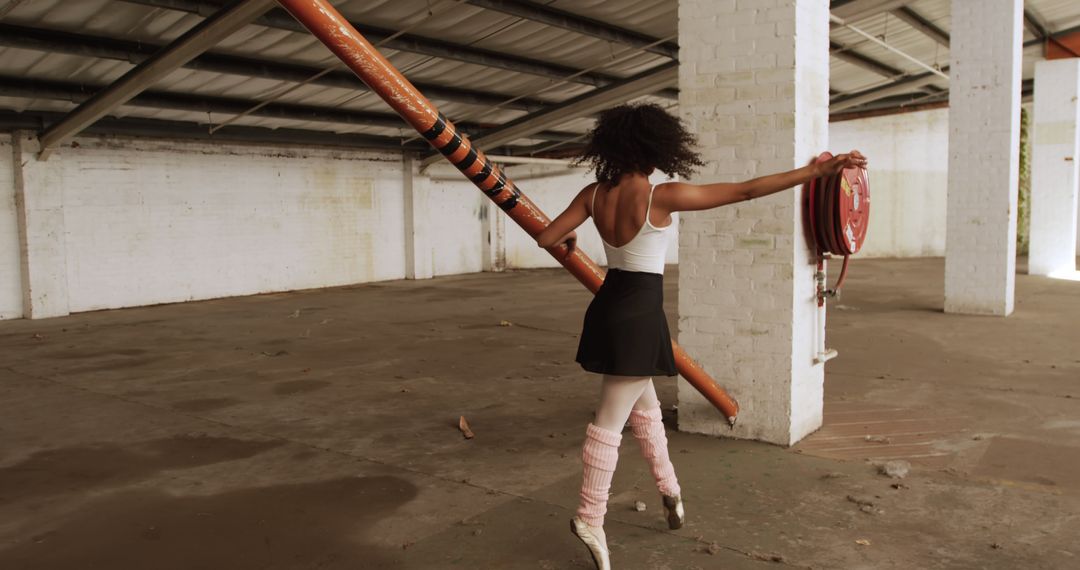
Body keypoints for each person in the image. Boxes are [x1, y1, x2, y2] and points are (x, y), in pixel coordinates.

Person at [536, 103, 866, 570]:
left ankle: (670, 490)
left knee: (645, 409)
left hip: (609, 305)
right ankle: (590, 517)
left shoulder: (593, 194)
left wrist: (570, 244)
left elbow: (546, 238)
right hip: (640, 315)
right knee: (608, 422)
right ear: (653, 148)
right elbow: (748, 190)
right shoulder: (660, 196)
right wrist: (818, 172)